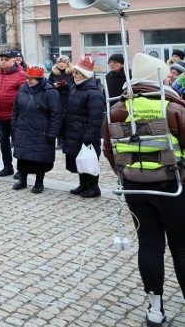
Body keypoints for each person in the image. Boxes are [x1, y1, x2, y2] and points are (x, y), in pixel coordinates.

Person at [102, 53, 185, 327]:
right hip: (174, 187)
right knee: (181, 248)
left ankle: (155, 309)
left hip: (135, 188)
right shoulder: (174, 108)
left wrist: (127, 175)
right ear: (157, 77)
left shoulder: (115, 108)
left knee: (149, 246)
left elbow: (110, 151)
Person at [11, 66, 62, 193]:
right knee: (22, 157)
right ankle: (23, 180)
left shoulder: (50, 92)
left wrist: (52, 133)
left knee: (40, 159)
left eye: (32, 79)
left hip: (41, 131)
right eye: (27, 78)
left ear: (39, 79)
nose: (29, 81)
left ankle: (39, 183)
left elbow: (56, 114)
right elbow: (16, 108)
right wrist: (15, 124)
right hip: (23, 129)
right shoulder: (23, 88)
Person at [63, 57, 105, 198]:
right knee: (79, 159)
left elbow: (96, 118)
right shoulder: (75, 88)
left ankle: (93, 187)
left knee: (90, 160)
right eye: (74, 72)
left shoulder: (94, 93)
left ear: (85, 75)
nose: (73, 75)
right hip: (75, 131)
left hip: (86, 133)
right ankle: (83, 185)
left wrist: (89, 136)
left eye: (77, 73)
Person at [0, 50, 25, 178]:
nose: (3, 62)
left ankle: (21, 169)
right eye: (1, 59)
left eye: (6, 59)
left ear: (13, 61)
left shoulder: (21, 75)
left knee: (18, 143)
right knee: (3, 142)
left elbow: (24, 95)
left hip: (15, 116)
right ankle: (7, 167)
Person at [48, 55, 74, 148]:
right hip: (56, 99)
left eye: (63, 62)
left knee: (68, 120)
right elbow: (48, 84)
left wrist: (66, 85)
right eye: (59, 62)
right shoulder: (53, 73)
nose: (61, 64)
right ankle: (60, 140)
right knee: (58, 120)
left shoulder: (72, 73)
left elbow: (75, 85)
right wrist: (54, 85)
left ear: (67, 63)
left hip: (69, 99)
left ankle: (67, 139)